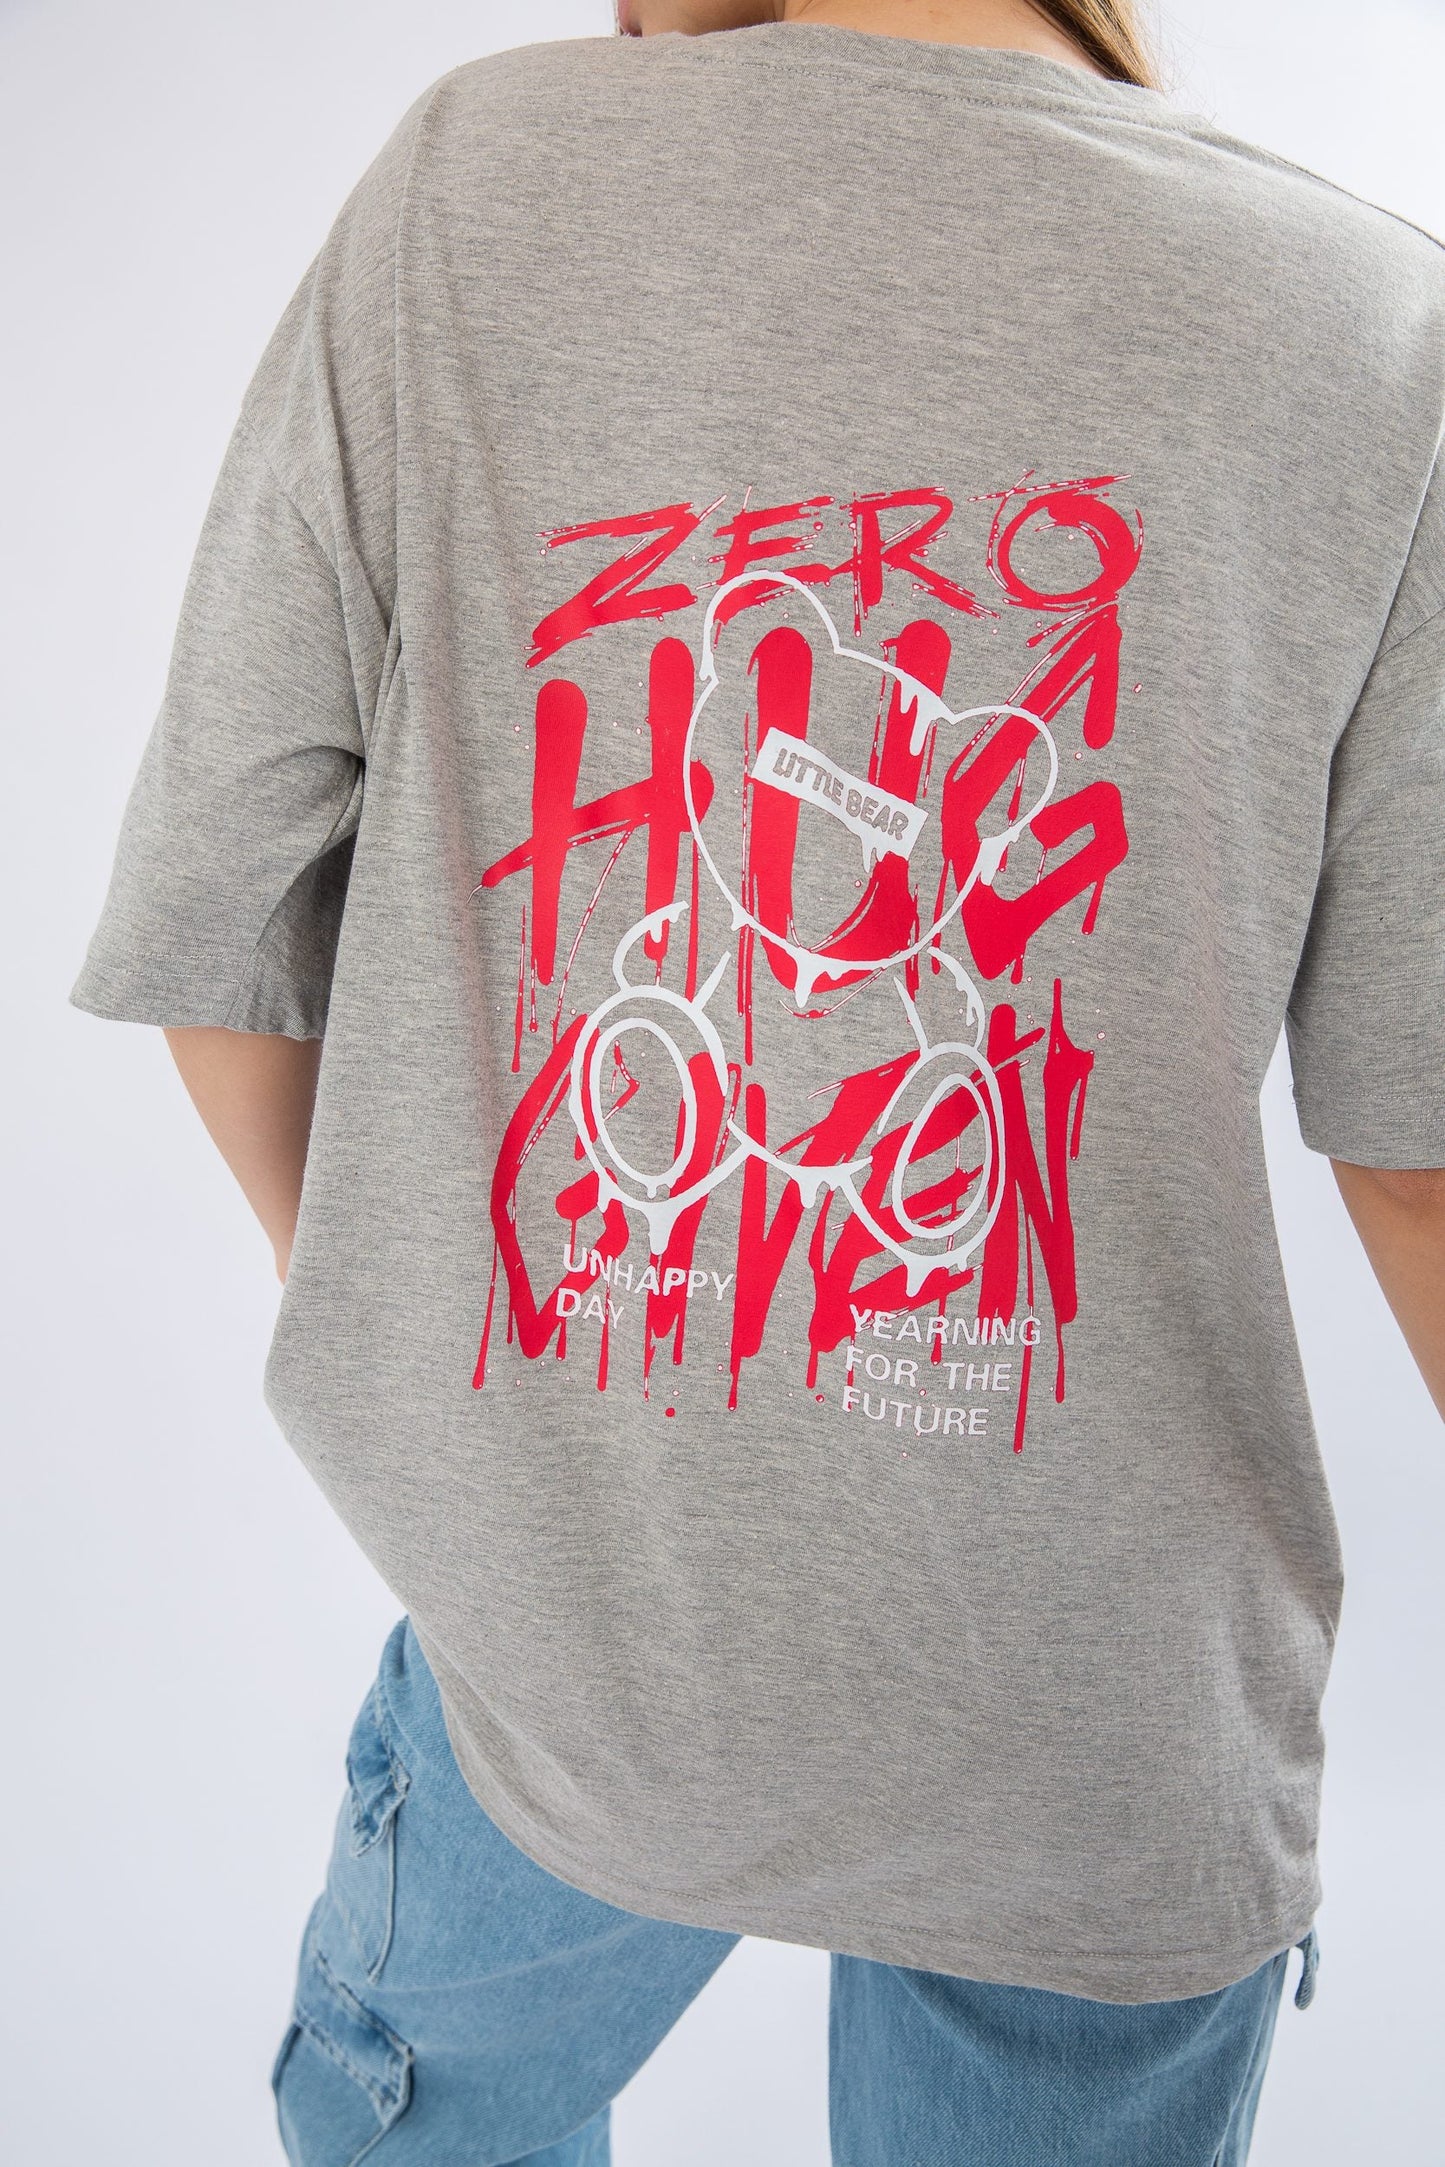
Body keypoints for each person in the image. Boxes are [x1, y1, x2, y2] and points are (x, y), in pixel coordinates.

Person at [72, 0, 1445, 2158]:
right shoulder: (1375, 325)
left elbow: (213, 911)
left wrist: (482, 1391)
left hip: (572, 1636)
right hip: (1093, 1718)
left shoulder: (475, 189)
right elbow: (1423, 1146)